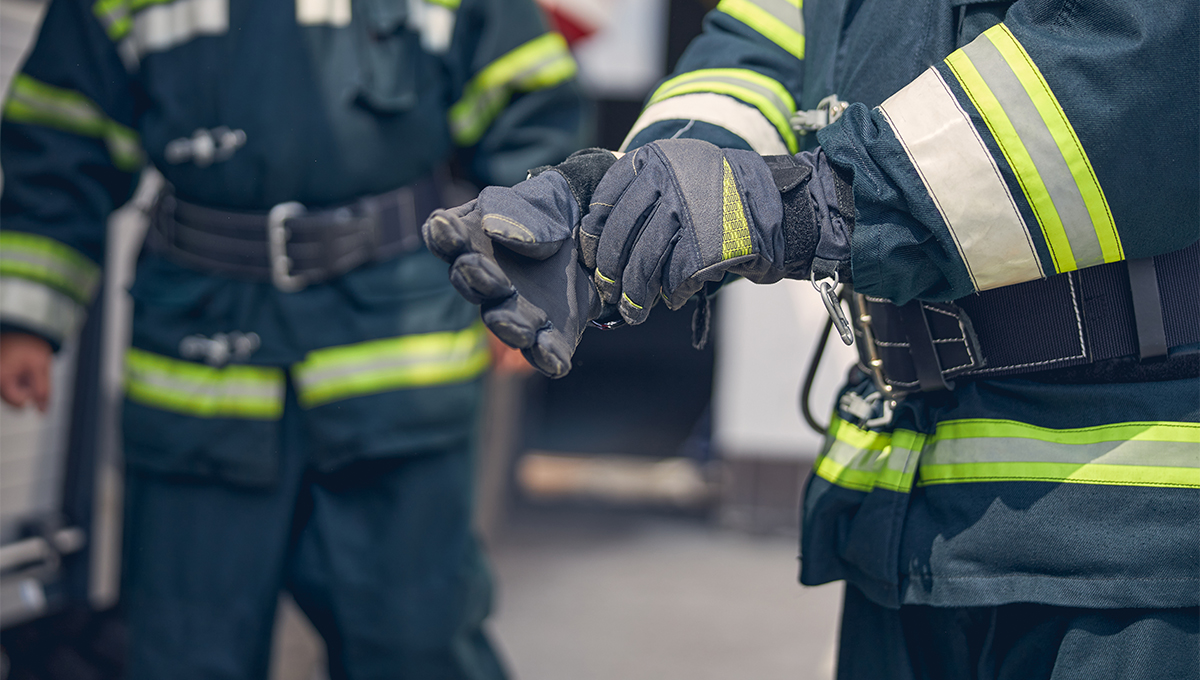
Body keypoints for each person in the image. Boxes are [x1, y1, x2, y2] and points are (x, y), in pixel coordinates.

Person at [422, 0, 1200, 677]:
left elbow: (1137, 64)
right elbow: (759, 43)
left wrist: (810, 202)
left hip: (1133, 527)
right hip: (912, 505)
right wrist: (625, 201)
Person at [0, 0, 587, 676]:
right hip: (200, 375)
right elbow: (61, 133)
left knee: (416, 641)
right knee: (183, 651)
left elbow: (531, 113)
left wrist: (524, 286)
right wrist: (27, 318)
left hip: (398, 367)